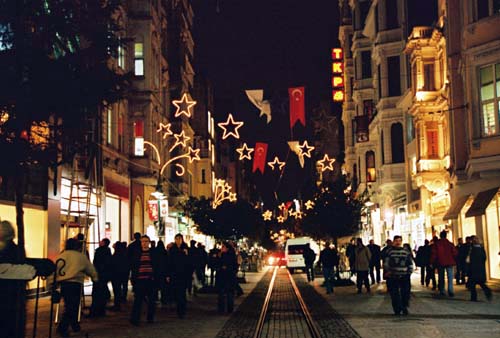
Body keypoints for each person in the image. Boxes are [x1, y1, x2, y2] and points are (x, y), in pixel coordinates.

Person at [52, 238, 98, 337]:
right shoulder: (80, 257)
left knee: (70, 305)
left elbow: (54, 270)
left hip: (64, 284)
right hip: (75, 283)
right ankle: (63, 327)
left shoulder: (61, 256)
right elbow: (89, 268)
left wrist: (52, 283)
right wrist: (95, 278)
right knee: (72, 306)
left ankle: (74, 325)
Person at [129, 235, 159, 325]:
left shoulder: (153, 253)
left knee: (151, 301)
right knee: (138, 300)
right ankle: (135, 319)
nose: (144, 243)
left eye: (146, 241)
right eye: (143, 241)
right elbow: (133, 267)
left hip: (150, 280)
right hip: (140, 280)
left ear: (149, 242)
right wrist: (133, 279)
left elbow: (157, 266)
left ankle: (150, 318)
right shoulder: (137, 253)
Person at [384, 235, 413, 316]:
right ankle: (397, 308)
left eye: (399, 241)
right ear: (394, 241)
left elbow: (409, 262)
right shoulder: (390, 252)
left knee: (405, 293)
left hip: (404, 275)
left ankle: (404, 307)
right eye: (396, 241)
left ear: (401, 241)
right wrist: (388, 271)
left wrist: (409, 272)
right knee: (394, 293)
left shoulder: (406, 251)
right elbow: (386, 262)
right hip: (393, 275)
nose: (398, 242)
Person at [167, 234, 191, 318]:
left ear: (182, 239)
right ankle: (178, 309)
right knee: (176, 292)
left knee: (182, 293)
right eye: (176, 239)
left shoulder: (186, 248)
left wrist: (187, 254)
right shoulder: (172, 249)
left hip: (183, 274)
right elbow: (169, 262)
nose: (178, 240)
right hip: (174, 274)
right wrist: (168, 274)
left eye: (179, 239)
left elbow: (189, 262)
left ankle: (182, 311)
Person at [89, 238, 112, 317]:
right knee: (101, 292)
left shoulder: (100, 251)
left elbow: (97, 262)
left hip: (99, 274)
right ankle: (101, 310)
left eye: (102, 241)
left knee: (96, 293)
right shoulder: (108, 251)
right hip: (104, 275)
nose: (100, 242)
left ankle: (95, 311)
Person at [431, 230, 457, 297]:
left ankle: (442, 290)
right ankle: (450, 290)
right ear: (446, 235)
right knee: (450, 277)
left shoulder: (437, 244)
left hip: (440, 262)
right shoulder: (450, 244)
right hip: (450, 262)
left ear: (440, 235)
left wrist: (432, 262)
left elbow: (434, 254)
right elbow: (455, 253)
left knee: (441, 277)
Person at [467, 236, 492, 302]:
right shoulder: (482, 249)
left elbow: (470, 260)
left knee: (472, 284)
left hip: (474, 269)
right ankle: (488, 291)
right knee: (481, 283)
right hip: (480, 269)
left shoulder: (472, 250)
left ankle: (473, 298)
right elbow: (484, 258)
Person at [216, 242, 238, 314]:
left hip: (228, 277)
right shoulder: (222, 255)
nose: (221, 248)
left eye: (223, 247)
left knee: (227, 294)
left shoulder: (230, 256)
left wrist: (226, 267)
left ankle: (226, 309)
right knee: (224, 294)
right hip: (225, 277)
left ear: (227, 248)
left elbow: (234, 267)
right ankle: (225, 309)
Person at [110, 241, 129, 311]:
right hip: (124, 273)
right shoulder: (125, 254)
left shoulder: (115, 255)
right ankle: (123, 298)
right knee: (124, 285)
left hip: (116, 275)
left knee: (117, 290)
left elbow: (112, 264)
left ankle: (117, 304)